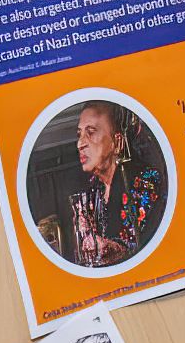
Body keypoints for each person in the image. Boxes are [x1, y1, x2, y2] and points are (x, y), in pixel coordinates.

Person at [60, 98, 166, 267]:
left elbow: (142, 247)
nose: (80, 143)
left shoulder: (145, 180)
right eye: (79, 134)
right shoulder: (92, 189)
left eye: (91, 132)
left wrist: (111, 248)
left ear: (117, 142)